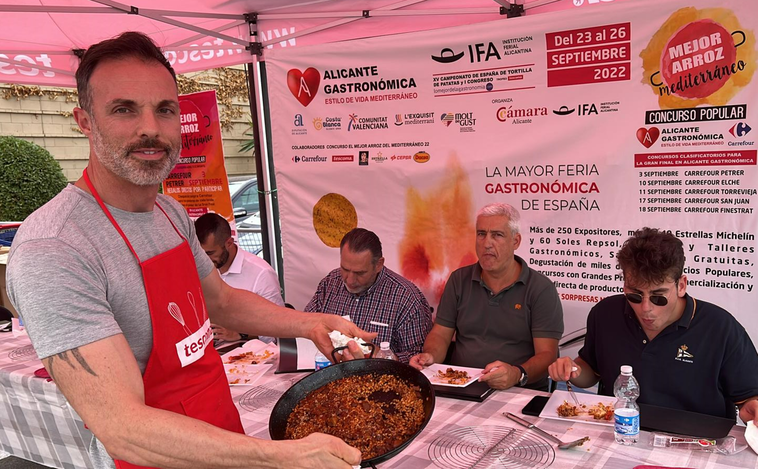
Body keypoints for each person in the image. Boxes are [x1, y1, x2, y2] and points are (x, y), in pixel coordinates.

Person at [6, 32, 373, 469]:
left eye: (165, 110)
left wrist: (310, 324)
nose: (150, 129)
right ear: (84, 121)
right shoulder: (54, 248)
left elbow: (219, 299)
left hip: (218, 433)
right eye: (124, 109)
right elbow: (122, 428)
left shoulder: (169, 211)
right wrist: (279, 457)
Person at [548, 228, 758, 424]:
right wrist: (573, 370)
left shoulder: (720, 328)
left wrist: (752, 406)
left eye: (658, 297)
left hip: (697, 440)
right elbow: (591, 372)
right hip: (622, 429)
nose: (645, 308)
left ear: (681, 285)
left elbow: (748, 396)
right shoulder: (605, 313)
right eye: (635, 295)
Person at [409, 203, 564, 391]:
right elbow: (441, 333)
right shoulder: (459, 279)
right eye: (481, 234)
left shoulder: (540, 288)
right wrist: (430, 356)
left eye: (497, 235)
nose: (487, 243)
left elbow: (548, 354)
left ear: (516, 241)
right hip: (460, 384)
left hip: (518, 391)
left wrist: (517, 373)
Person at [304, 228, 433, 363]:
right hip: (329, 373)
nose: (350, 280)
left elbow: (418, 358)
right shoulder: (330, 282)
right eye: (345, 269)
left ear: (378, 265)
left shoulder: (406, 297)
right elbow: (307, 325)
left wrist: (379, 355)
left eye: (360, 273)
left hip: (379, 380)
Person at [195, 212, 283, 343]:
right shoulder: (199, 266)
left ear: (229, 243)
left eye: (210, 253)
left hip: (249, 355)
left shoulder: (261, 273)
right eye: (200, 254)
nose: (205, 260)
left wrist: (240, 333)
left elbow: (278, 329)